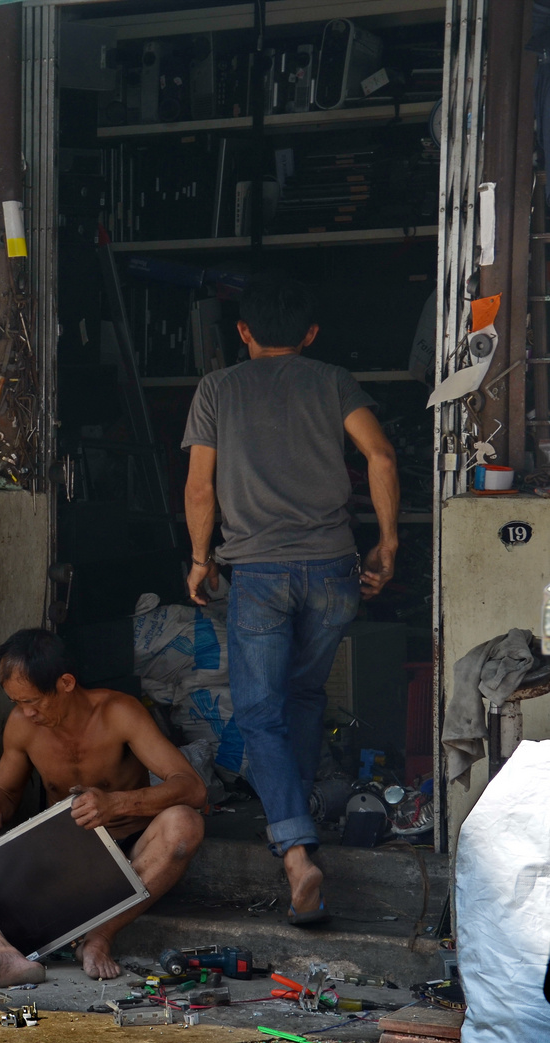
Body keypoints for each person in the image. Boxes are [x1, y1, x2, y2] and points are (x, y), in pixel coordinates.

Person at [181, 270, 398, 927]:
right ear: (309, 335)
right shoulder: (331, 381)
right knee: (301, 697)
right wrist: (386, 544)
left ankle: (296, 851)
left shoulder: (216, 388)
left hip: (259, 575)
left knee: (256, 711)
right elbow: (381, 457)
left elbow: (199, 488)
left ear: (242, 332)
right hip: (333, 571)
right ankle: (296, 822)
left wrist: (197, 558)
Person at [0, 629, 207, 983]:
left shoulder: (119, 712)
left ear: (65, 682)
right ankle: (6, 956)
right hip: (55, 868)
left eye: (33, 701)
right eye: (17, 702)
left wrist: (116, 803)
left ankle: (99, 936)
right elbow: (6, 790)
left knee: (185, 824)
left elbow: (192, 788)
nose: (26, 713)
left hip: (127, 859)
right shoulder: (22, 725)